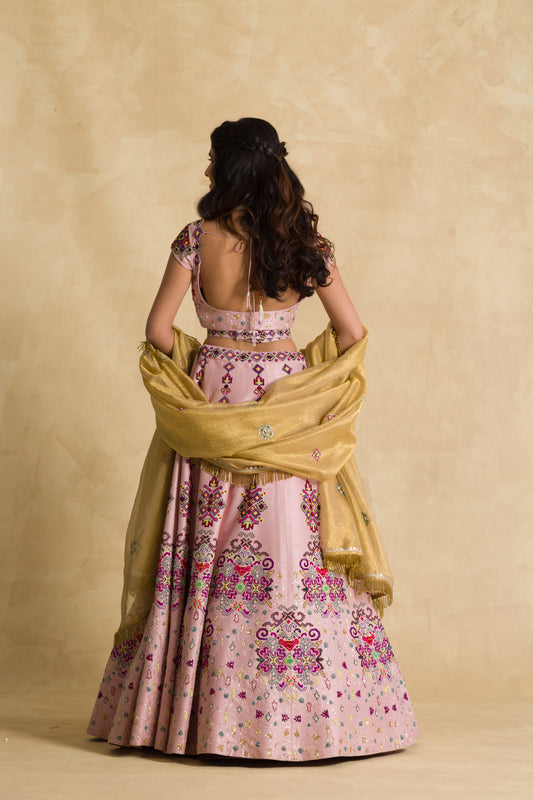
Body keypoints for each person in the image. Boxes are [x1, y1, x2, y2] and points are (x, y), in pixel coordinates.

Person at [87, 118, 420, 761]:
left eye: (213, 160)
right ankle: (307, 724)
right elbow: (353, 334)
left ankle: (195, 716)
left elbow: (157, 330)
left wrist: (203, 364)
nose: (207, 172)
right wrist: (304, 382)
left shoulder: (196, 238)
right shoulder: (306, 245)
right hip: (286, 407)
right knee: (289, 545)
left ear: (230, 168)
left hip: (215, 397)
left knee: (207, 544)